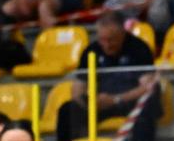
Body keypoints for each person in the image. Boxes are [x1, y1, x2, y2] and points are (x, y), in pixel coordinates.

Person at [56, 11, 159, 141]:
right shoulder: (91, 51)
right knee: (67, 110)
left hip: (129, 101)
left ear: (122, 34)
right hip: (99, 104)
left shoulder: (139, 48)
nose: (107, 45)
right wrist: (90, 102)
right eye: (102, 40)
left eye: (111, 40)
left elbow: (147, 88)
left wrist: (116, 99)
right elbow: (78, 87)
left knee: (146, 109)